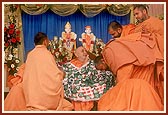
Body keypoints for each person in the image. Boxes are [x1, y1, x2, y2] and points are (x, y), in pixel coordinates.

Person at [96, 17, 164, 110]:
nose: (103, 70)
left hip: (146, 61)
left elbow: (124, 68)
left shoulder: (112, 48)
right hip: (145, 66)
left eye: (113, 34)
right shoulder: (120, 41)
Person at [22, 32, 73, 111]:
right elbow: (54, 75)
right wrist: (62, 74)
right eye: (48, 40)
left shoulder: (30, 54)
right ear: (45, 41)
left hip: (32, 96)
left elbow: (27, 75)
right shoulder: (47, 54)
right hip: (46, 97)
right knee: (69, 106)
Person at [62, 46, 115, 111]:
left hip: (90, 85)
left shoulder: (92, 63)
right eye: (82, 51)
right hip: (76, 88)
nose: (85, 53)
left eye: (85, 51)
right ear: (76, 54)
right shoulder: (68, 65)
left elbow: (97, 74)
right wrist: (84, 66)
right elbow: (69, 77)